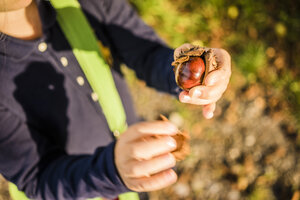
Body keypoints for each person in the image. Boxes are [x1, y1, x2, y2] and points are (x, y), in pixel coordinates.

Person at [0, 0, 231, 199]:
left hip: (134, 172)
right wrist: (111, 170)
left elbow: (146, 53)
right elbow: (36, 176)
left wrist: (189, 74)